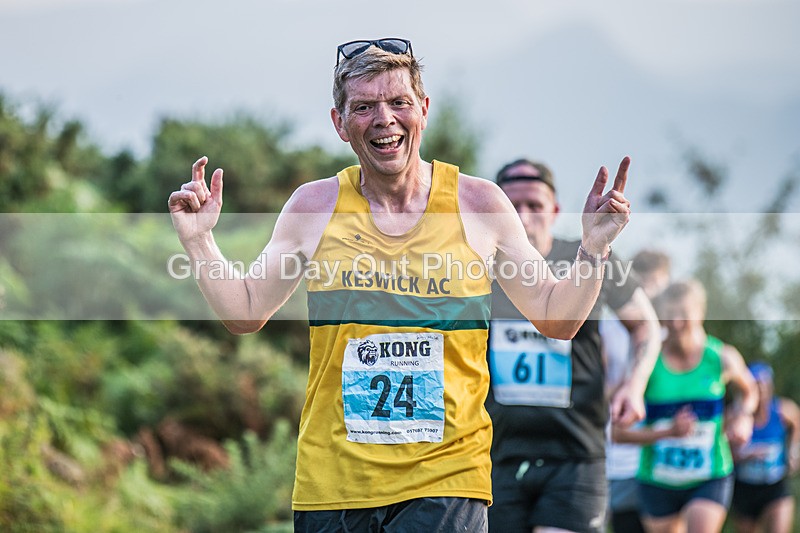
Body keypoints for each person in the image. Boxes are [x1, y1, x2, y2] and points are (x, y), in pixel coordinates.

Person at [167, 39, 635, 532]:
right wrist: (200, 242)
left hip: (446, 475)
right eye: (364, 107)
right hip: (334, 479)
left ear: (424, 110)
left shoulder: (479, 204)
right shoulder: (313, 206)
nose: (384, 119)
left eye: (399, 103)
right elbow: (245, 310)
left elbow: (556, 318)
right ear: (339, 123)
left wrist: (593, 249)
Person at [485, 159, 662, 533]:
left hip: (575, 455)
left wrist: (635, 384)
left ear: (555, 211)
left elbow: (646, 325)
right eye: (512, 206)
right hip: (491, 455)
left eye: (534, 205)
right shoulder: (475, 267)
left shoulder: (591, 257)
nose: (524, 216)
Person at [627, 280, 758, 533]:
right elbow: (617, 434)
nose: (676, 323)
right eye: (669, 315)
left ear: (700, 313)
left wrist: (744, 416)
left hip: (709, 475)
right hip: (658, 479)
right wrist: (667, 432)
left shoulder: (721, 358)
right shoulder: (648, 362)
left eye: (683, 315)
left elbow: (749, 391)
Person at [604, 249, 672, 533]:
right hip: (617, 451)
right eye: (643, 284)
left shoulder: (674, 335)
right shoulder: (608, 327)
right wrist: (626, 386)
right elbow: (599, 385)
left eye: (656, 284)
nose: (650, 292)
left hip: (661, 455)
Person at [730, 362, 800, 533]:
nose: (760, 391)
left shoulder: (783, 410)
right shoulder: (735, 415)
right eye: (755, 386)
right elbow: (723, 454)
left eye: (764, 385)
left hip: (775, 484)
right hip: (744, 487)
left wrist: (794, 452)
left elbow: (797, 423)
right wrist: (747, 455)